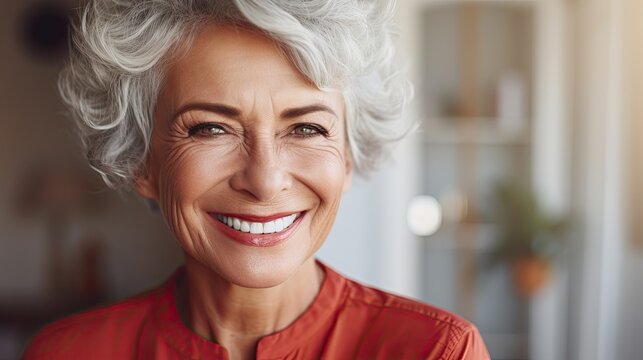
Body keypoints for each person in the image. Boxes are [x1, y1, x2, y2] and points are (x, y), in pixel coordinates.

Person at [23, 0, 490, 359]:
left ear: (348, 157)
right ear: (142, 162)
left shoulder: (436, 351)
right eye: (210, 128)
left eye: (307, 128)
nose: (265, 180)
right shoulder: (66, 352)